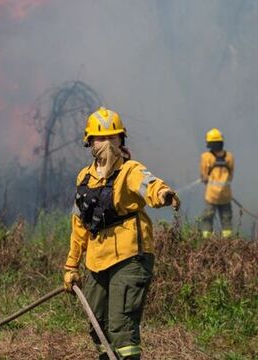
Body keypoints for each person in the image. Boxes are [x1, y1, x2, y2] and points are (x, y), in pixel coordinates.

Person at [63, 106, 180, 360]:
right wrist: (71, 265)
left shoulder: (130, 170)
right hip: (96, 261)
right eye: (100, 138)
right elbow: (79, 225)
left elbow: (149, 184)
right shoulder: (84, 178)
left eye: (112, 138)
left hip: (129, 258)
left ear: (121, 140)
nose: (106, 144)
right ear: (89, 142)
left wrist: (163, 194)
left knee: (121, 328)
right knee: (97, 327)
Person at [198, 128, 235, 239]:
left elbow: (204, 177)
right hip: (226, 195)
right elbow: (231, 175)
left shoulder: (206, 157)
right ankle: (227, 242)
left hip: (211, 196)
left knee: (207, 218)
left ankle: (206, 241)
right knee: (226, 219)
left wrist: (206, 178)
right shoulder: (229, 157)